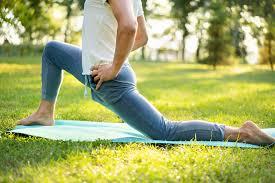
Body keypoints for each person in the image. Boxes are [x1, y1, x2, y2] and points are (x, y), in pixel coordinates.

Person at [18, 0, 274, 146]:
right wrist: (111, 59)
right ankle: (45, 112)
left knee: (165, 132)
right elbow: (142, 36)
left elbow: (130, 29)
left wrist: (113, 66)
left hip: (110, 81)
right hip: (100, 71)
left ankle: (242, 133)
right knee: (53, 50)